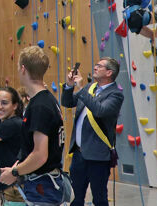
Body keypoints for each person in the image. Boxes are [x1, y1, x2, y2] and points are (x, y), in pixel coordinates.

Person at [0, 47, 72, 206]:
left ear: (23, 69)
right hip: (43, 183)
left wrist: (15, 172)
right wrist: (15, 167)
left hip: (43, 187)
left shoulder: (40, 106)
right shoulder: (46, 100)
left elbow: (40, 154)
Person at [61, 59, 123, 206]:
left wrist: (81, 87)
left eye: (99, 66)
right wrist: (69, 86)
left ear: (109, 72)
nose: (95, 67)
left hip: (98, 156)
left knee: (99, 198)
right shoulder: (91, 88)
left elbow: (100, 111)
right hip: (78, 154)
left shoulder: (115, 94)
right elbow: (67, 102)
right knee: (77, 198)